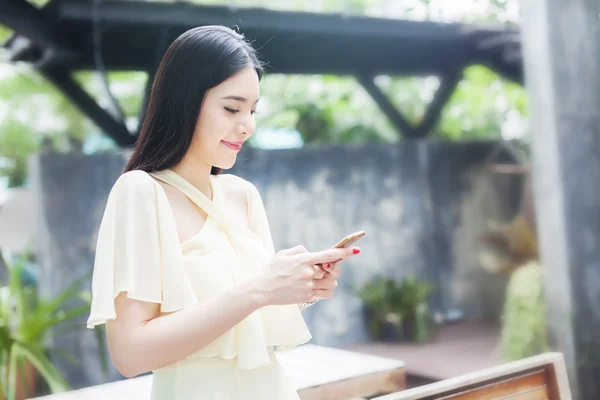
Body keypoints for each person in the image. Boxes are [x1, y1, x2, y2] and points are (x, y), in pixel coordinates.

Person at [86, 25, 361, 400]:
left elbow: (248, 324)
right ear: (185, 101)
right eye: (232, 108)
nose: (247, 125)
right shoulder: (141, 192)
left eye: (252, 110)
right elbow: (130, 354)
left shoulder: (242, 195)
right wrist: (261, 288)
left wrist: (299, 288)